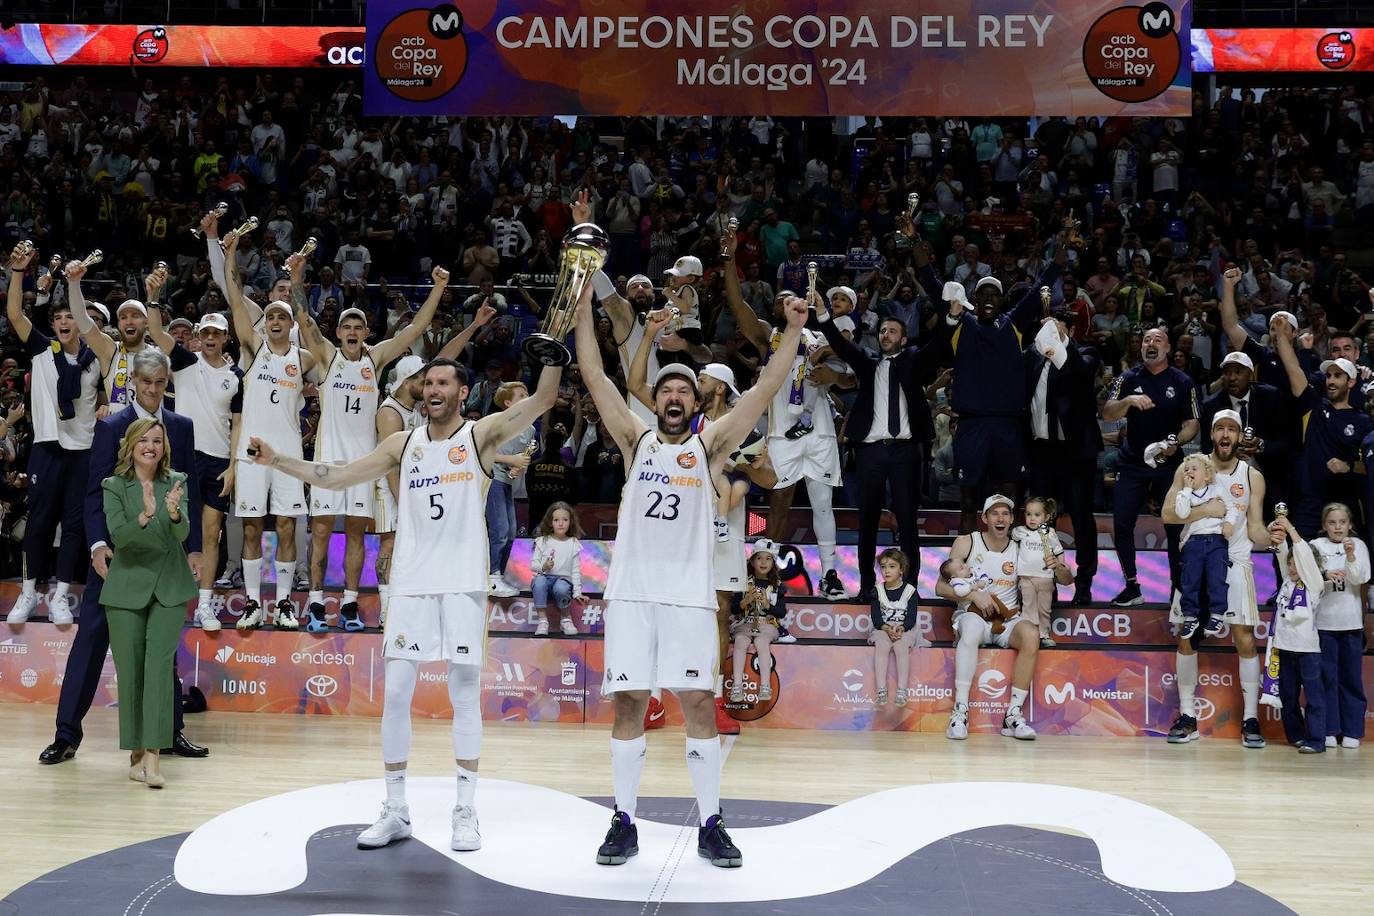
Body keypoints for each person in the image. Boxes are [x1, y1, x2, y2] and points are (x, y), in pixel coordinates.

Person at [245, 353, 562, 853]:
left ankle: (465, 809)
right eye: (426, 382)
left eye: (443, 383)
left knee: (463, 696)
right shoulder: (402, 443)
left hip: (461, 584)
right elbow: (335, 476)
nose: (433, 389)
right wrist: (277, 460)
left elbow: (543, 399)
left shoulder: (478, 437)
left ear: (462, 392)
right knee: (395, 694)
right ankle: (395, 810)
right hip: (411, 583)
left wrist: (552, 357)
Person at [573, 267, 808, 870]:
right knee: (628, 707)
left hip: (687, 597)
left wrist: (791, 332)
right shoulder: (635, 439)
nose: (674, 396)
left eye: (683, 390)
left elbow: (761, 391)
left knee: (699, 704)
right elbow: (595, 375)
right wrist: (578, 301)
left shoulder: (712, 445)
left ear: (694, 401)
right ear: (655, 401)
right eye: (666, 390)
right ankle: (623, 820)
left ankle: (710, 823)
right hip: (631, 595)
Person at [292, 257, 446, 632]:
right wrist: (296, 278)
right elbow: (304, 320)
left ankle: (347, 605)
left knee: (358, 534)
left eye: (358, 326)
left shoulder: (375, 360)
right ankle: (314, 604)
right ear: (340, 331)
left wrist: (439, 288)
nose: (352, 330)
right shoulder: (327, 357)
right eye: (346, 325)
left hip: (364, 465)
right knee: (323, 532)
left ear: (365, 332)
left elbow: (415, 328)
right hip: (329, 462)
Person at [722, 241, 853, 599]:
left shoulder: (823, 336)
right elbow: (738, 306)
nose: (786, 302)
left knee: (822, 503)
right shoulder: (769, 338)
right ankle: (765, 581)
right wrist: (730, 260)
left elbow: (853, 377)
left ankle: (829, 575)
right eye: (780, 299)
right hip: (782, 433)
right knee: (777, 504)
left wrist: (834, 378)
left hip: (821, 430)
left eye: (792, 298)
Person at [812, 281, 949, 599]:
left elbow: (939, 343)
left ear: (903, 338)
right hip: (871, 453)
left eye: (892, 331)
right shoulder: (868, 362)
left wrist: (952, 318)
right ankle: (865, 586)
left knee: (907, 523)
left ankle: (910, 588)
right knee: (867, 522)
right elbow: (842, 346)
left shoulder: (913, 362)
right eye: (882, 330)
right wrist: (822, 314)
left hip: (904, 453)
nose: (885, 335)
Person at [374, 308, 497, 626]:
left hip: (414, 485)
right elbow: (389, 467)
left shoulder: (417, 404)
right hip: (392, 486)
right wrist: (406, 501)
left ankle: (413, 599)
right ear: (406, 380)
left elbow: (445, 358)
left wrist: (473, 325)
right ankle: (387, 607)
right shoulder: (390, 412)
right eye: (422, 380)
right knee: (390, 541)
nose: (430, 386)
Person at [1161, 410, 1271, 747]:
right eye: (1221, 428)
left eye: (1232, 430)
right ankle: (1187, 716)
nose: (1226, 435)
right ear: (1212, 433)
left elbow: (1254, 528)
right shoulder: (1190, 467)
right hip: (1194, 557)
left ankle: (1251, 719)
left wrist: (1275, 536)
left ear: (1240, 436)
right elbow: (1167, 514)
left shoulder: (1252, 476)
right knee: (1186, 636)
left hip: (1233, 560)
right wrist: (1206, 512)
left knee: (1245, 639)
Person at [224, 231, 315, 629]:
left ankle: (282, 604)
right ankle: (251, 604)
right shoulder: (252, 348)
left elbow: (312, 324)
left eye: (283, 316)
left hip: (289, 456)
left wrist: (297, 286)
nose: (275, 320)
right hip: (252, 452)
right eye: (271, 315)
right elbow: (233, 295)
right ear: (265, 324)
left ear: (291, 324)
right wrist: (229, 255)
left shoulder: (305, 356)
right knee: (250, 527)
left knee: (285, 526)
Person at [5, 246, 99, 626]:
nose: (64, 321)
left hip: (84, 453)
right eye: (58, 317)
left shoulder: (97, 360)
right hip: (47, 447)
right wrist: (16, 271)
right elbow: (14, 314)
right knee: (40, 522)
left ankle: (61, 596)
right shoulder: (43, 350)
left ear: (80, 321)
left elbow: (110, 396)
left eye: (70, 316)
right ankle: (28, 594)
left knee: (73, 527)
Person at [100, 418, 197, 788]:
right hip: (126, 589)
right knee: (132, 671)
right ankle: (136, 750)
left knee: (158, 669)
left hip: (169, 587)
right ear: (132, 445)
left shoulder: (177, 482)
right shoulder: (113, 486)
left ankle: (154, 758)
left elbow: (182, 532)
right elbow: (121, 538)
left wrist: (172, 512)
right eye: (144, 440)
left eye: (157, 441)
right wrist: (144, 515)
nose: (151, 446)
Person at [936, 494, 1071, 741]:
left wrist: (1058, 566)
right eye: (995, 513)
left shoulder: (1023, 543)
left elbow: (1066, 580)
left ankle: (1013, 714)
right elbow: (940, 588)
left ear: (1011, 520)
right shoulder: (967, 542)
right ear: (985, 518)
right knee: (973, 629)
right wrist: (974, 595)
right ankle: (960, 711)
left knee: (1031, 633)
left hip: (1007, 619)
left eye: (1006, 513)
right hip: (972, 615)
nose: (1000, 518)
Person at [152, 311, 242, 630]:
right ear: (198, 335)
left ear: (225, 338)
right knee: (171, 530)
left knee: (210, 535)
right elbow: (157, 332)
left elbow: (238, 425)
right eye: (206, 332)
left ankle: (204, 606)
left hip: (218, 461)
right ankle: (166, 598)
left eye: (216, 333)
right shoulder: (185, 362)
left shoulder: (235, 376)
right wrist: (153, 298)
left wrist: (234, 466)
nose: (211, 338)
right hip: (183, 458)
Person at [1101, 327, 1199, 606]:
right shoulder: (1128, 378)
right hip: (1132, 463)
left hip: (1168, 464)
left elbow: (1192, 424)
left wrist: (1175, 442)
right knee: (1121, 524)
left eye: (1157, 340)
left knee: (1175, 527)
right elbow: (1107, 413)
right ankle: (1132, 586)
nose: (1151, 344)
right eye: (1146, 340)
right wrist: (1129, 401)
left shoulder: (1183, 382)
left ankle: (1177, 588)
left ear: (1168, 348)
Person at [1024, 312, 1101, 605]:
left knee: (1081, 517)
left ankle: (1084, 582)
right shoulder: (1031, 359)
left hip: (1075, 451)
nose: (1048, 332)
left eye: (1054, 327)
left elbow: (1079, 374)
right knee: (1043, 522)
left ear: (1068, 330)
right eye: (1044, 328)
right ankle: (1049, 581)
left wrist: (1059, 343)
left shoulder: (1086, 353)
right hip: (1041, 450)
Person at [1273, 326, 1371, 538]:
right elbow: (1293, 369)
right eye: (1329, 376)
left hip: (1344, 503)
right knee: (1301, 558)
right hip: (1310, 500)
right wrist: (1282, 335)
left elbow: (1370, 465)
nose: (1331, 381)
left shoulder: (1363, 421)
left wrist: (1349, 466)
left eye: (1338, 376)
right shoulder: (1316, 406)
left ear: (1351, 382)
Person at [1309, 503, 1368, 749]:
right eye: (1332, 522)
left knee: (1351, 678)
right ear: (1324, 526)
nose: (1337, 527)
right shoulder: (1315, 546)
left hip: (1350, 623)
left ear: (1350, 524)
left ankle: (1353, 730)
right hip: (1323, 624)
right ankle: (1329, 729)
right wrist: (1325, 573)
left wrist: (1351, 556)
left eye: (1342, 522)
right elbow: (1307, 577)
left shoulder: (1359, 545)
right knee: (1326, 679)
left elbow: (1360, 578)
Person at [1267, 513, 1328, 754]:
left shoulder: (1314, 584)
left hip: (1308, 651)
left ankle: (1316, 740)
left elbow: (1302, 551)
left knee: (1313, 698)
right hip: (1284, 647)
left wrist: (1291, 528)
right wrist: (1278, 529)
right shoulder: (1287, 581)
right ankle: (1297, 736)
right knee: (1288, 698)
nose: (1291, 567)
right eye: (1290, 563)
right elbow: (1282, 551)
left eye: (1296, 564)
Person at [1172, 454, 1240, 640]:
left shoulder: (1217, 489)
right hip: (1193, 542)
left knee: (1217, 577)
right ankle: (1190, 616)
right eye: (1186, 470)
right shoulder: (1183, 495)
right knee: (1190, 580)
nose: (1189, 472)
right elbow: (1183, 513)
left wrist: (1228, 523)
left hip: (1216, 541)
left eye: (1194, 469)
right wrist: (1186, 489)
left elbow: (1232, 508)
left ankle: (1217, 613)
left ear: (1207, 475)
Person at [486, 381, 537, 597]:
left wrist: (517, 468)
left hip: (508, 483)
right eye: (521, 395)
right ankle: (492, 576)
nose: (527, 397)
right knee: (500, 530)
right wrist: (510, 459)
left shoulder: (532, 428)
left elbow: (523, 458)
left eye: (528, 393)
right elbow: (482, 452)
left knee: (511, 532)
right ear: (508, 403)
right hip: (491, 480)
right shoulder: (496, 423)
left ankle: (500, 576)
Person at [728, 539, 785, 704]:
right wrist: (746, 601)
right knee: (740, 641)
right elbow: (734, 609)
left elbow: (781, 612)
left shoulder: (777, 585)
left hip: (767, 625)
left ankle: (765, 686)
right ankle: (737, 685)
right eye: (759, 558)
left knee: (761, 641)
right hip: (745, 624)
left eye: (768, 559)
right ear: (752, 561)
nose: (763, 562)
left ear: (773, 563)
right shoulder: (743, 583)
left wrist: (767, 605)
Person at [869, 548, 922, 707]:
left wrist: (901, 628)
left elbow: (911, 617)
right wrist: (886, 628)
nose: (886, 571)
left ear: (901, 570)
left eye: (892, 566)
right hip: (883, 628)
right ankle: (881, 690)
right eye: (883, 567)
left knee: (900, 647)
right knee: (882, 646)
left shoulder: (910, 591)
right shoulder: (877, 591)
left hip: (904, 628)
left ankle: (901, 690)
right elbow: (876, 617)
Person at [1011, 496, 1065, 648]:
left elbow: (1059, 551)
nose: (1032, 518)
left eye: (1037, 515)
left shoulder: (1050, 533)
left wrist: (1060, 567)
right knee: (1028, 607)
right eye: (1028, 514)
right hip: (1026, 578)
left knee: (1044, 608)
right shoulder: (1019, 532)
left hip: (1045, 579)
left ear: (1047, 517)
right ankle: (1029, 635)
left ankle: (1043, 635)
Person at [530, 501, 584, 637]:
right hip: (545, 579)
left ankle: (566, 619)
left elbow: (576, 571)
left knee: (561, 587)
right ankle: (542, 621)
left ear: (570, 522)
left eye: (565, 520)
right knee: (539, 581)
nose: (561, 523)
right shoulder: (542, 541)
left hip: (563, 580)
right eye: (556, 520)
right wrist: (544, 567)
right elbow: (533, 565)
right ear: (550, 522)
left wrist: (577, 593)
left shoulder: (573, 543)